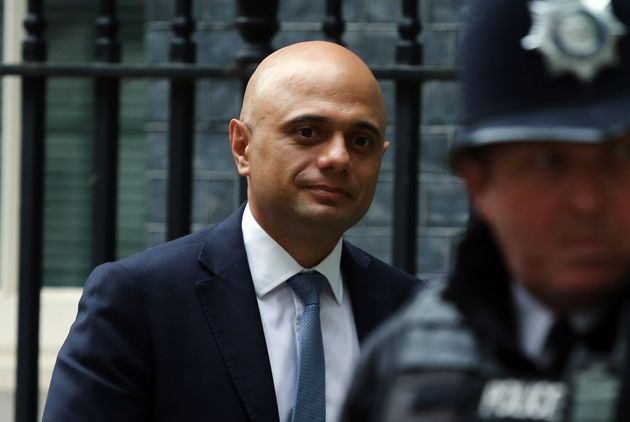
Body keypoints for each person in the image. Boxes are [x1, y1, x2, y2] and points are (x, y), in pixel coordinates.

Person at [42, 41, 420, 422]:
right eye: (308, 131)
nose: (338, 157)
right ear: (242, 147)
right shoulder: (139, 301)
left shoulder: (411, 311)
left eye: (361, 141)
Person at [340, 0, 630, 420]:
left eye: (620, 158)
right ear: (479, 182)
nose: (586, 201)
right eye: (548, 162)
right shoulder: (406, 361)